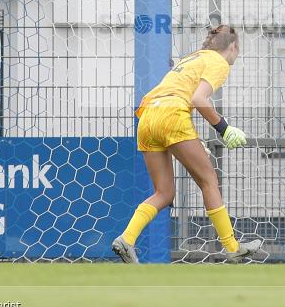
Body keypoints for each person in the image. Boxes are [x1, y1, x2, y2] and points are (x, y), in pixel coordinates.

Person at [112, 25, 263, 263]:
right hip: (172, 116)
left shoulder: (192, 58)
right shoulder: (218, 62)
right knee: (209, 181)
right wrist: (224, 129)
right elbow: (197, 99)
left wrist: (192, 140)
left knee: (164, 192)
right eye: (238, 50)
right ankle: (232, 248)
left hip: (148, 116)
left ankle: (126, 239)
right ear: (233, 46)